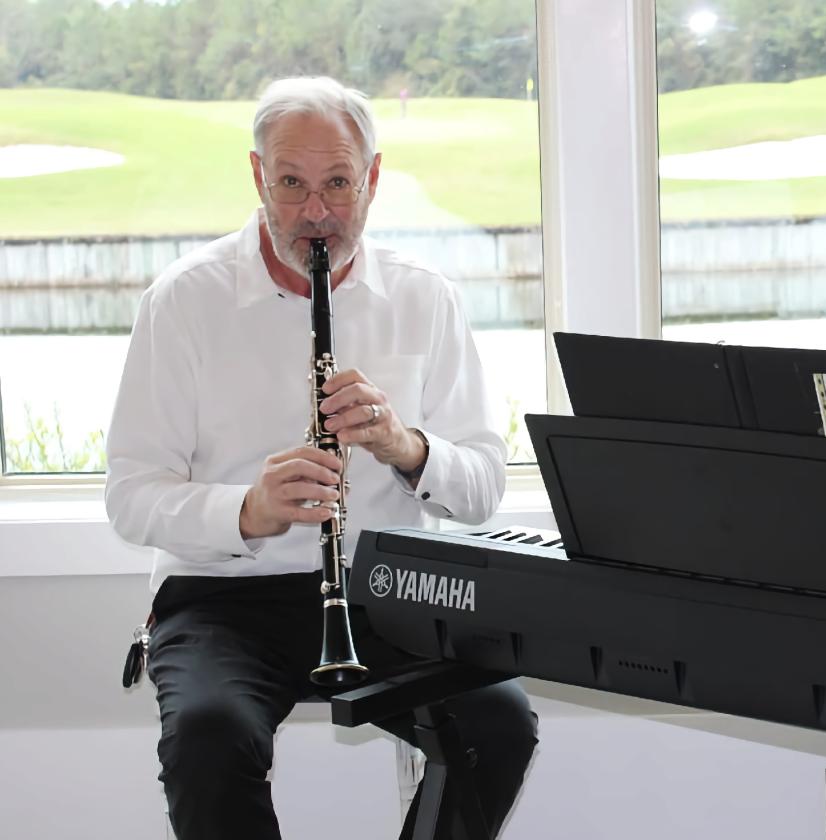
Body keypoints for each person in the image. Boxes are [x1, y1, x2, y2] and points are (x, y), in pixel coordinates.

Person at [105, 76, 537, 840]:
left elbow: (481, 486)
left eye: (338, 183)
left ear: (372, 178)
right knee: (208, 741)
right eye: (292, 185)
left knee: (497, 724)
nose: (316, 212)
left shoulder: (423, 295)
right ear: (257, 178)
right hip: (222, 597)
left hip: (383, 586)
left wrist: (406, 449)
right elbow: (132, 496)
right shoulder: (183, 301)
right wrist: (247, 508)